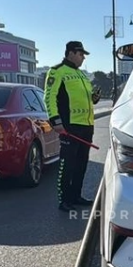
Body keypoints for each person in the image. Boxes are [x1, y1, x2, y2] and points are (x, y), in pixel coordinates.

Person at [45, 41, 101, 212]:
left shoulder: (82, 75)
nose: (83, 57)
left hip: (87, 125)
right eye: (81, 54)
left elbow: (86, 98)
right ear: (71, 53)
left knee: (81, 164)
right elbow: (49, 97)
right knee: (67, 164)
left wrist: (94, 98)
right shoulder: (57, 71)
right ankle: (64, 199)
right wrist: (55, 121)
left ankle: (76, 195)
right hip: (70, 126)